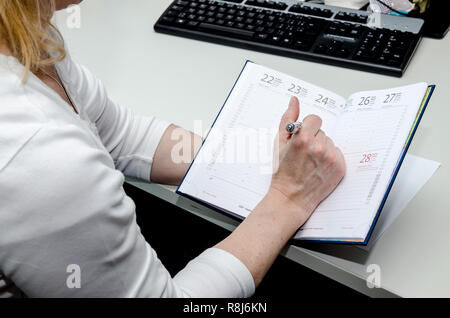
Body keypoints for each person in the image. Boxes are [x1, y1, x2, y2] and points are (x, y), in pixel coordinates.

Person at [0, 0, 346, 298]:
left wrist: (249, 155)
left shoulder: (25, 37)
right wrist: (288, 198)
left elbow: (120, 134)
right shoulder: (40, 152)